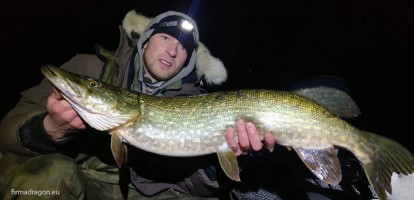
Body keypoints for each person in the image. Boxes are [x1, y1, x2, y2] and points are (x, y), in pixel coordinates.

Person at [0, 10, 276, 199]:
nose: (172, 50)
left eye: (183, 48)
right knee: (43, 175)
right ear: (145, 41)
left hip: (152, 192)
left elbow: (193, 186)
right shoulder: (92, 68)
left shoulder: (193, 101)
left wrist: (226, 161)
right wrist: (50, 129)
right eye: (165, 37)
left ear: (188, 62)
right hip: (81, 181)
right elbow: (6, 133)